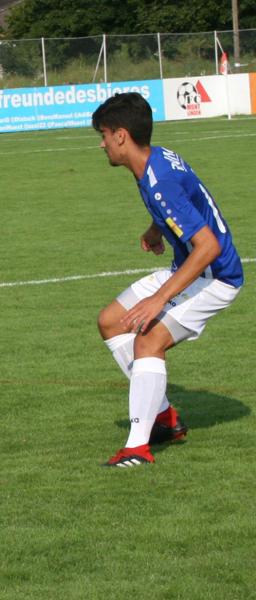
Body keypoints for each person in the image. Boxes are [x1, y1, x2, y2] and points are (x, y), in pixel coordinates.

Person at [92, 92, 243, 467]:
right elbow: (189, 202)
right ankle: (163, 417)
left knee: (148, 338)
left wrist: (159, 299)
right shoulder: (157, 159)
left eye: (105, 135)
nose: (102, 144)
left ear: (122, 136)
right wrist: (157, 229)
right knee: (111, 321)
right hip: (190, 266)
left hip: (215, 276)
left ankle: (137, 448)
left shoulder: (158, 182)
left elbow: (206, 247)